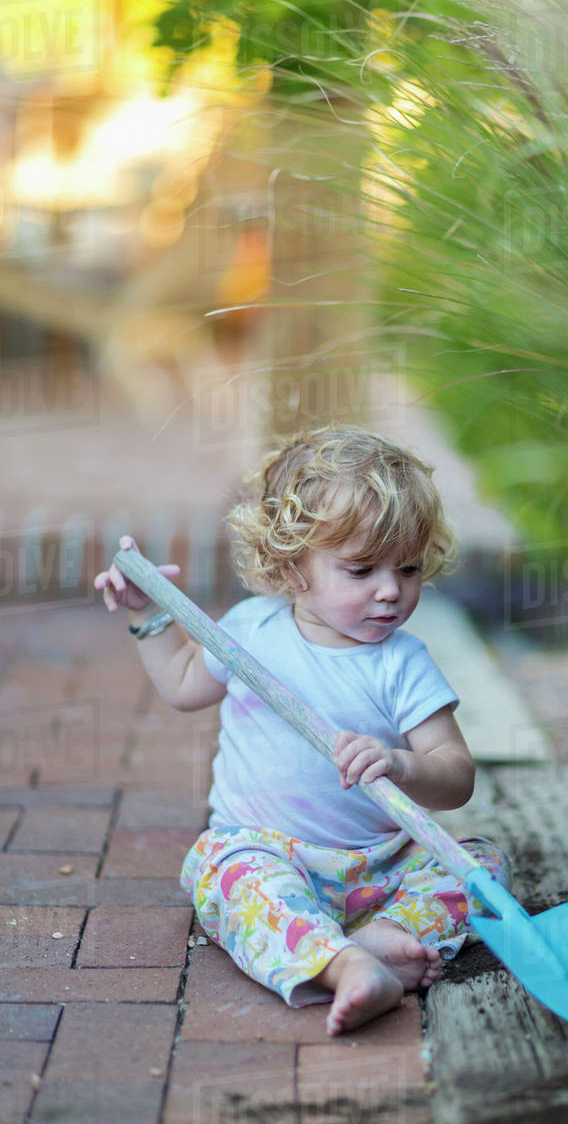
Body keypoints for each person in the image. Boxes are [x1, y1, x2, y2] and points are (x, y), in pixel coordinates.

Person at [94, 425, 510, 1036]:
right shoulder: (252, 631)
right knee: (229, 873)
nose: (391, 591)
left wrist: (402, 764)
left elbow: (456, 778)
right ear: (293, 567)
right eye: (361, 569)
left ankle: (381, 939)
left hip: (380, 867)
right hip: (269, 851)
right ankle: (344, 966)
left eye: (410, 568)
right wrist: (146, 612)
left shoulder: (404, 662)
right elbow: (184, 684)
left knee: (481, 864)